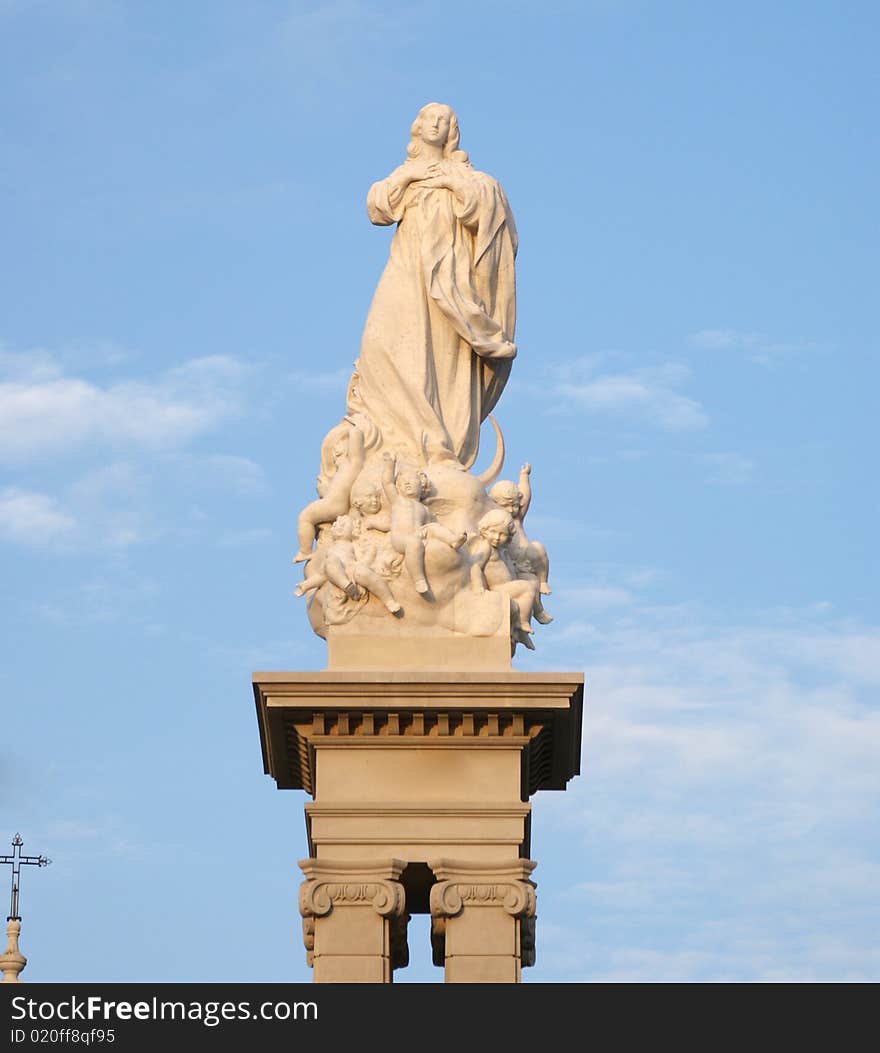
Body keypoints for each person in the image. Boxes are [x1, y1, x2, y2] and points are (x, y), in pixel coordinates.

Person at [349, 102, 518, 470]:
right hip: (406, 268)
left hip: (446, 278)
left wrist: (453, 182)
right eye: (429, 117)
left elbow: (486, 208)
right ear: (417, 126)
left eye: (444, 119)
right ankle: (391, 438)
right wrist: (410, 177)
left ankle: (434, 440)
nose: (436, 123)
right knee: (380, 342)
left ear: (451, 131)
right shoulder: (404, 173)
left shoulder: (467, 175)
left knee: (436, 354)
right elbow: (378, 209)